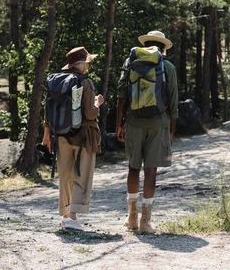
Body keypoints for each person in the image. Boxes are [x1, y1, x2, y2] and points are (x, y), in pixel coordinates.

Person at [116, 30, 178, 234]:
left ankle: (132, 217)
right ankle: (146, 221)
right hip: (158, 123)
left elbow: (122, 95)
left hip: (133, 122)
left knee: (133, 168)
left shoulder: (130, 61)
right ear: (163, 48)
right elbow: (173, 102)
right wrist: (171, 130)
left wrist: (119, 123)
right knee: (151, 171)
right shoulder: (167, 66)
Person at [42, 46, 104, 231]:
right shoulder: (86, 82)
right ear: (82, 63)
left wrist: (46, 137)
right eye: (87, 62)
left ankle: (66, 215)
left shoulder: (56, 82)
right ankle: (73, 217)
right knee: (82, 174)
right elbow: (90, 113)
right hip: (84, 135)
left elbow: (47, 112)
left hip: (61, 135)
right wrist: (97, 103)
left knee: (65, 175)